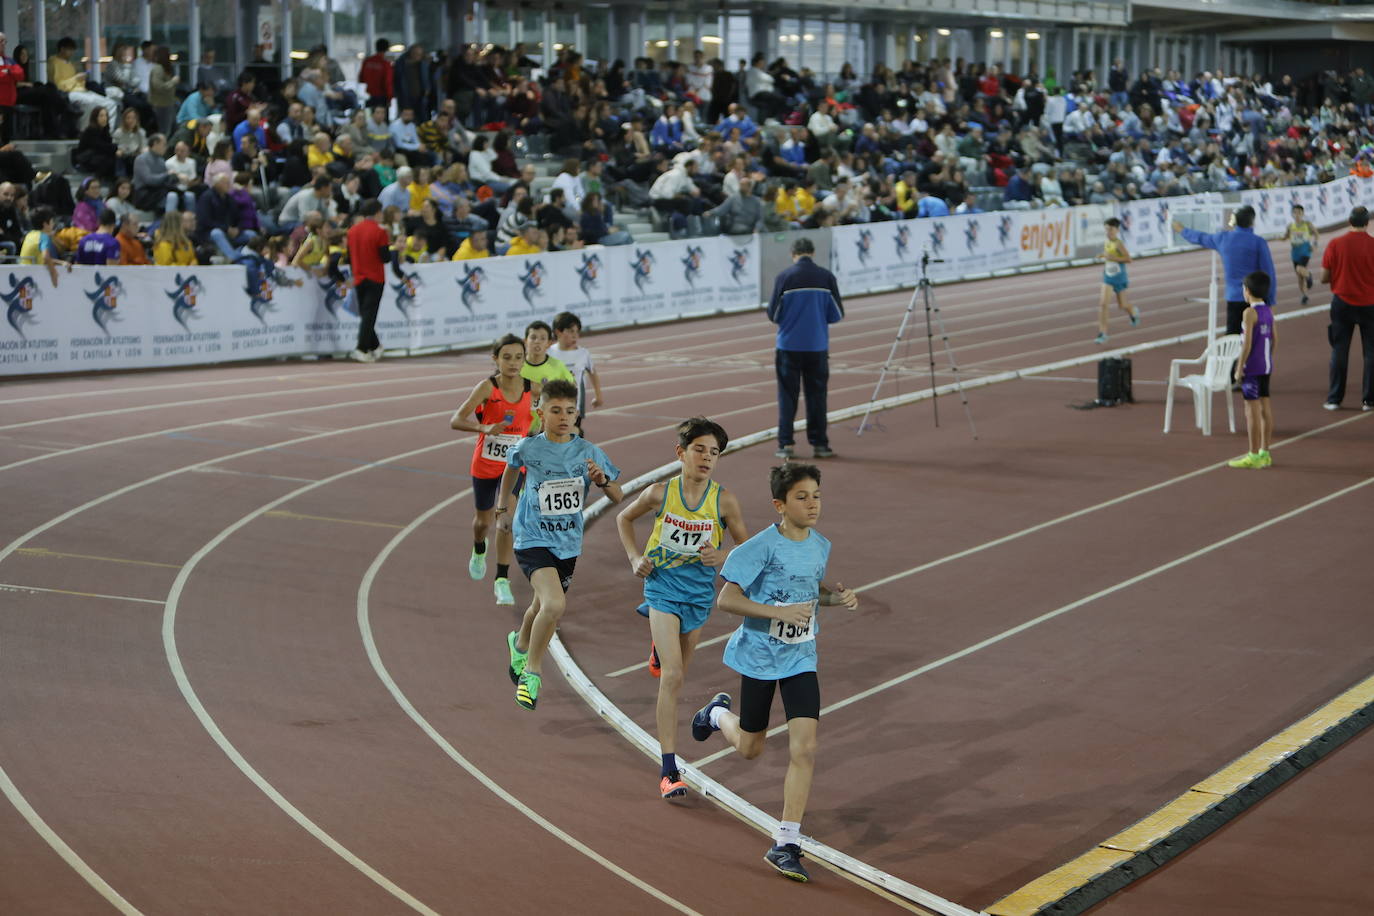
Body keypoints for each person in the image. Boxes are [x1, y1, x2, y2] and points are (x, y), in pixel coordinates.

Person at [689, 463, 858, 883]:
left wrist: (834, 600)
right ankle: (715, 715)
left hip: (801, 656)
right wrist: (776, 612)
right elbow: (727, 600)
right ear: (780, 505)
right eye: (802, 496)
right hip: (761, 657)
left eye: (816, 494)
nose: (813, 503)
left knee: (805, 748)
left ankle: (786, 842)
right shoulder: (759, 547)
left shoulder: (820, 545)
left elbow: (809, 595)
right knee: (750, 749)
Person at [616, 417, 748, 799]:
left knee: (677, 676)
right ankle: (669, 769)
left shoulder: (724, 501)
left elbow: (748, 549)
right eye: (700, 449)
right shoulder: (660, 493)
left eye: (714, 453)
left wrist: (720, 554)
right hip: (661, 587)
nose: (707, 458)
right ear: (681, 452)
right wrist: (634, 557)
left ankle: (670, 659)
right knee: (671, 676)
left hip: (698, 595)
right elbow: (624, 517)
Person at [496, 379, 624, 710]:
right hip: (531, 537)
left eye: (570, 411)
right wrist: (503, 507)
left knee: (542, 606)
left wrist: (601, 481)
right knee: (554, 605)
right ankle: (532, 675)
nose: (564, 417)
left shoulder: (588, 452)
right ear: (541, 412)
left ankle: (520, 644)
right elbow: (511, 468)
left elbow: (618, 494)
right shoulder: (530, 448)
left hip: (567, 543)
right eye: (556, 410)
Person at [450, 334, 542, 608]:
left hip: (514, 467)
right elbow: (456, 420)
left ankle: (501, 579)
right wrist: (483, 428)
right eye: (507, 357)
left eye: (518, 357)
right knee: (483, 522)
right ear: (495, 359)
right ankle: (479, 547)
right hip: (486, 464)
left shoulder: (533, 389)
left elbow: (537, 422)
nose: (513, 363)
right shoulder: (487, 388)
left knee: (506, 520)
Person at [768, 237, 843, 460]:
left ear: (793, 254)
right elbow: (836, 314)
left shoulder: (784, 277)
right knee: (817, 396)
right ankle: (820, 445)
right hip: (817, 346)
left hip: (788, 346)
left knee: (787, 396)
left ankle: (786, 444)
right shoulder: (826, 277)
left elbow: (773, 314)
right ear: (812, 252)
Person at [1173, 205, 1276, 336]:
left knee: (1233, 338)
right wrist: (1271, 300)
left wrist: (1182, 230)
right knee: (1258, 338)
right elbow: (1269, 273)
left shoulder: (1223, 238)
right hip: (1257, 299)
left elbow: (1200, 237)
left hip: (1234, 298)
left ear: (1234, 221)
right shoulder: (1258, 242)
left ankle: (1234, 357)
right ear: (1252, 222)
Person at [1319, 206, 1374, 411]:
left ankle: (1334, 398)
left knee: (1339, 350)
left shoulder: (1336, 244)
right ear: (1367, 222)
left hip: (1342, 302)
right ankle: (1369, 400)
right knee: (1371, 352)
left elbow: (1324, 277)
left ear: (1349, 221)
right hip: (1370, 303)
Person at [1229, 272, 1278, 469]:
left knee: (1251, 411)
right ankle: (1265, 452)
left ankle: (1253, 454)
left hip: (1252, 368)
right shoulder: (1268, 310)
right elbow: (1275, 338)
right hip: (1266, 366)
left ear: (1247, 291)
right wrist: (1268, 357)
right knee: (1265, 408)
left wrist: (1239, 368)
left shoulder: (1249, 313)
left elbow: (1246, 344)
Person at [346, 199, 394, 363]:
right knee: (369, 315)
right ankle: (362, 348)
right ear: (377, 213)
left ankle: (375, 346)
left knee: (366, 314)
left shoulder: (352, 231)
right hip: (375, 277)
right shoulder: (380, 232)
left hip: (359, 277)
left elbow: (349, 256)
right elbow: (385, 257)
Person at [549, 311, 603, 431]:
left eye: (577, 332)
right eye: (571, 331)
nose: (575, 336)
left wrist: (598, 395)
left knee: (572, 436)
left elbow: (593, 373)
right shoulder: (549, 353)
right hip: (552, 404)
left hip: (575, 405)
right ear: (558, 332)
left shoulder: (583, 353)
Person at [1095, 217, 1140, 344]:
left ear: (1117, 230)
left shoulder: (1119, 244)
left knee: (1123, 305)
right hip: (1108, 277)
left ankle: (1133, 311)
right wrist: (1103, 256)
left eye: (1110, 230)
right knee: (1103, 304)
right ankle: (1102, 333)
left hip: (1119, 277)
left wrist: (1112, 257)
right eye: (1106, 229)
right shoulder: (1107, 241)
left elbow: (1128, 259)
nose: (1108, 232)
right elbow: (1108, 254)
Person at [1282, 204, 1319, 306]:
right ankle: (1305, 295)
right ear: (1292, 214)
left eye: (1299, 212)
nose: (1297, 215)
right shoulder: (1290, 226)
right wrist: (1282, 238)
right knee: (1299, 277)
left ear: (1303, 214)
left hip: (1305, 251)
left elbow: (1316, 234)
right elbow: (1286, 236)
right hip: (1295, 253)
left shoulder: (1307, 224)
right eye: (1295, 212)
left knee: (1299, 268)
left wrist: (1315, 244)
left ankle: (1309, 275)